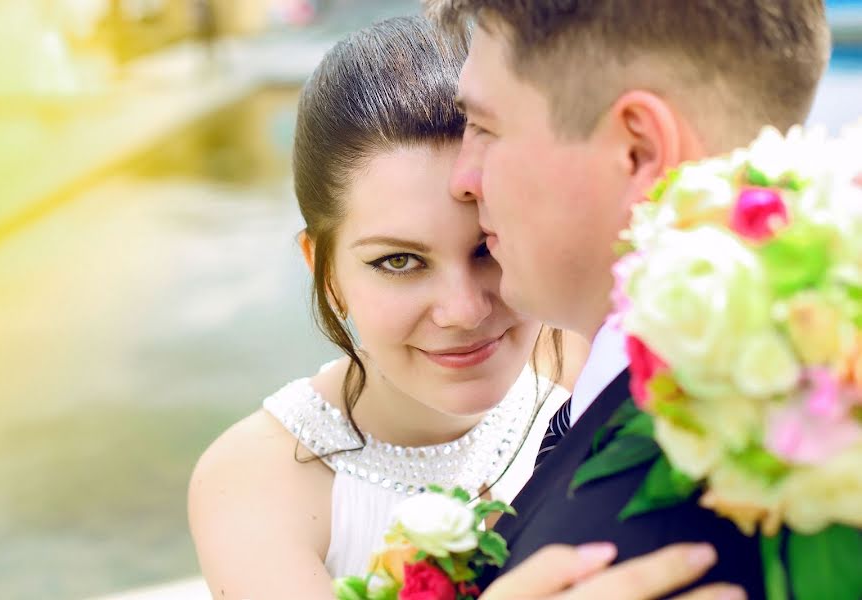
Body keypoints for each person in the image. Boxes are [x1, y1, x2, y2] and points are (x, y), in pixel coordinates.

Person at [424, 0, 831, 598]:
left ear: (638, 151)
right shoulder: (819, 387)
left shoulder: (635, 550)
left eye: (485, 126)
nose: (463, 177)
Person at [188, 16, 577, 599]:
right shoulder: (261, 479)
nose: (464, 310)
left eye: (489, 245)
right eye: (399, 261)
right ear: (325, 271)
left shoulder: (588, 361)